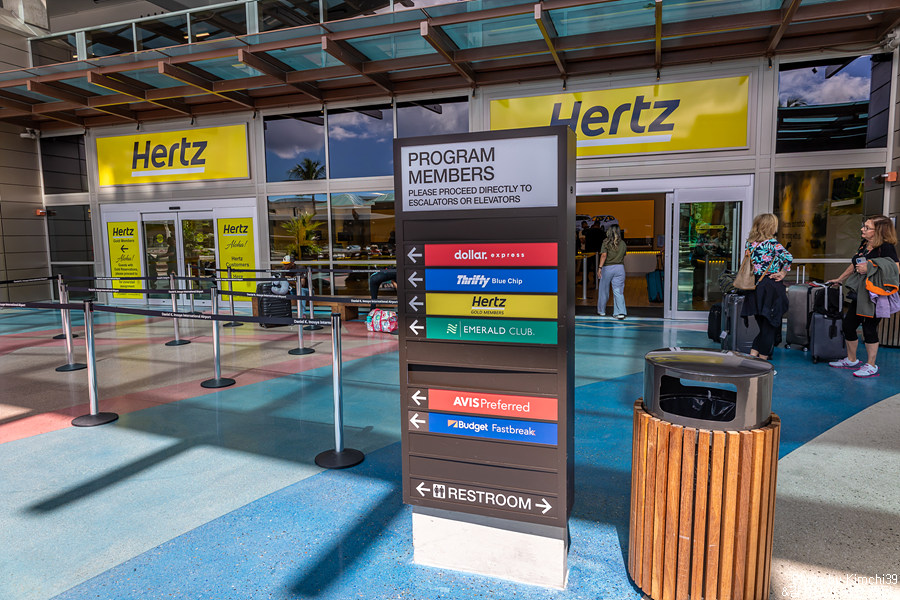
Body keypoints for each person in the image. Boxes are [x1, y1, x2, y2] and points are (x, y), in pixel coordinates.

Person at [826, 215, 900, 377]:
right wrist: (840, 279)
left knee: (869, 328)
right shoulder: (865, 244)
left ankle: (871, 365)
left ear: (879, 230)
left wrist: (870, 266)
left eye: (867, 227)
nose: (862, 229)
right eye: (864, 226)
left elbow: (896, 269)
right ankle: (851, 359)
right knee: (848, 325)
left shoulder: (886, 247)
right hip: (860, 293)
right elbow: (855, 264)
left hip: (875, 295)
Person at [740, 213, 793, 360]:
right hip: (770, 287)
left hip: (754, 287)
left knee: (763, 327)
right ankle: (762, 363)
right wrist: (782, 273)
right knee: (770, 327)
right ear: (770, 226)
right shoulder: (772, 244)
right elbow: (788, 257)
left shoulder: (750, 244)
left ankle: (752, 357)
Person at [596, 224, 627, 319]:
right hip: (620, 268)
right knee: (618, 291)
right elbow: (623, 255)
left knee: (603, 290)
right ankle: (620, 312)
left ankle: (602, 311)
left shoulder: (605, 242)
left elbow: (603, 255)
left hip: (607, 268)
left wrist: (600, 268)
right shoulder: (623, 243)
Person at [582, 220, 606, 286]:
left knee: (587, 267)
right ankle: (596, 281)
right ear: (599, 225)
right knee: (597, 267)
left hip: (588, 252)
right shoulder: (602, 232)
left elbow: (584, 236)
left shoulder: (588, 231)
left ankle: (585, 280)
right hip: (598, 252)